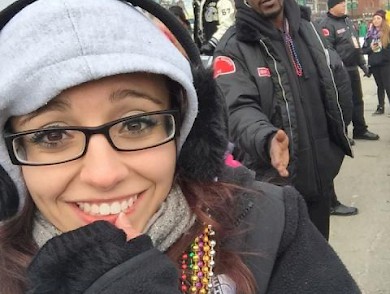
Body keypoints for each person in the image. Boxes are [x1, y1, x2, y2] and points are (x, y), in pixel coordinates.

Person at [0, 0, 361, 293]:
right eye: (52, 136)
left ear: (191, 133)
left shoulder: (271, 225)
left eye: (135, 123)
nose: (104, 175)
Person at [213, 0, 358, 239]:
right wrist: (266, 138)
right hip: (275, 190)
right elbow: (237, 109)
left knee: (320, 263)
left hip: (321, 179)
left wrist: (338, 135)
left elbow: (333, 82)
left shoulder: (308, 29)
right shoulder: (234, 46)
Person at [320, 0, 380, 142]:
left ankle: (360, 129)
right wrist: (336, 69)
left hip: (353, 68)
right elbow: (328, 50)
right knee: (343, 102)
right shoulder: (326, 25)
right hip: (340, 70)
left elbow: (356, 45)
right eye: (341, 3)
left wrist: (363, 65)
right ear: (333, 6)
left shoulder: (348, 21)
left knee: (357, 100)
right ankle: (342, 133)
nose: (344, 6)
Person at [362, 9, 390, 115]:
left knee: (388, 85)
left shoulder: (388, 32)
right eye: (374, 18)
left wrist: (382, 48)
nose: (376, 20)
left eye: (378, 18)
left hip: (386, 63)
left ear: (383, 20)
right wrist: (371, 49)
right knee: (380, 86)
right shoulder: (369, 34)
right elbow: (363, 50)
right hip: (375, 64)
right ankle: (380, 107)